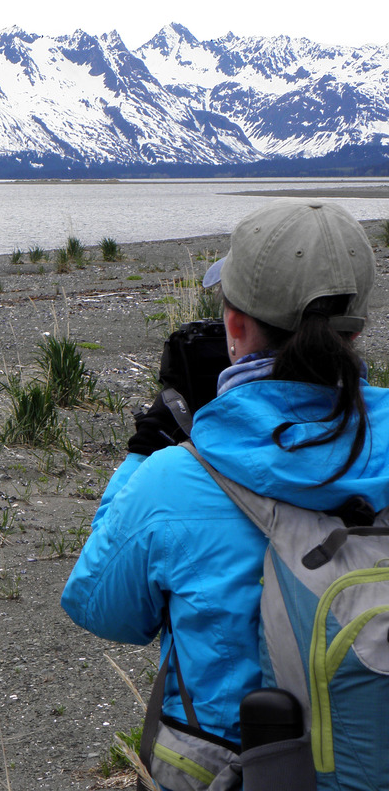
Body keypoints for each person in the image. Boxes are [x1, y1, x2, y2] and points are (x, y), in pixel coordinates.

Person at [60, 199, 389, 789]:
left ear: (235, 327)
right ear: (357, 329)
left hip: (222, 771)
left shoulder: (175, 480)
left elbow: (101, 607)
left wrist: (146, 449)